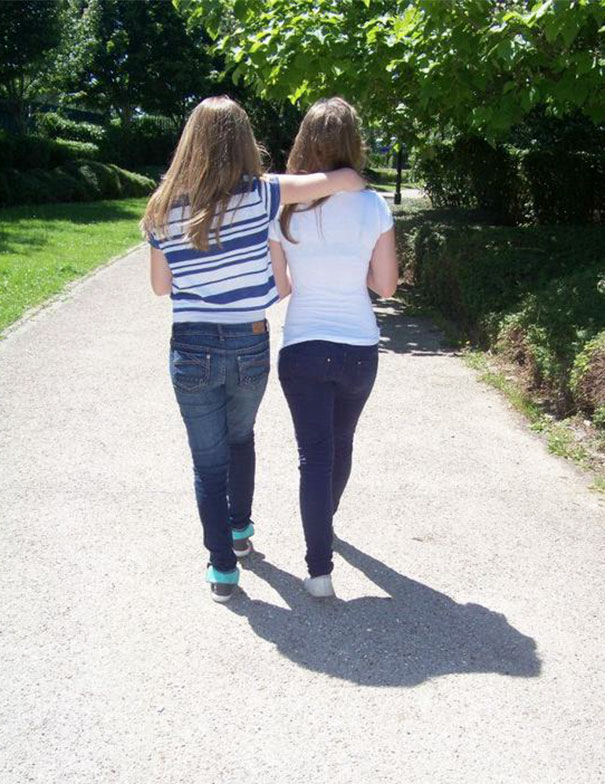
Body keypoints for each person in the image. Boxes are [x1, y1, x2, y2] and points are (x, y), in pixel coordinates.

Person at [141, 95, 365, 603]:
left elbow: (161, 287)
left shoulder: (161, 207)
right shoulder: (263, 194)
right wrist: (354, 178)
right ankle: (240, 530)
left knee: (207, 460)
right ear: (244, 141)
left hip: (191, 344)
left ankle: (223, 569)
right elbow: (336, 180)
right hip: (250, 341)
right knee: (241, 437)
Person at [269, 97, 398, 598]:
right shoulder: (374, 204)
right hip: (358, 348)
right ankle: (327, 521)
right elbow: (385, 286)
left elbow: (281, 287)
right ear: (354, 143)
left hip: (302, 345)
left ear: (304, 140)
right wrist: (356, 267)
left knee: (313, 456)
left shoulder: (284, 206)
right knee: (341, 444)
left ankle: (318, 569)